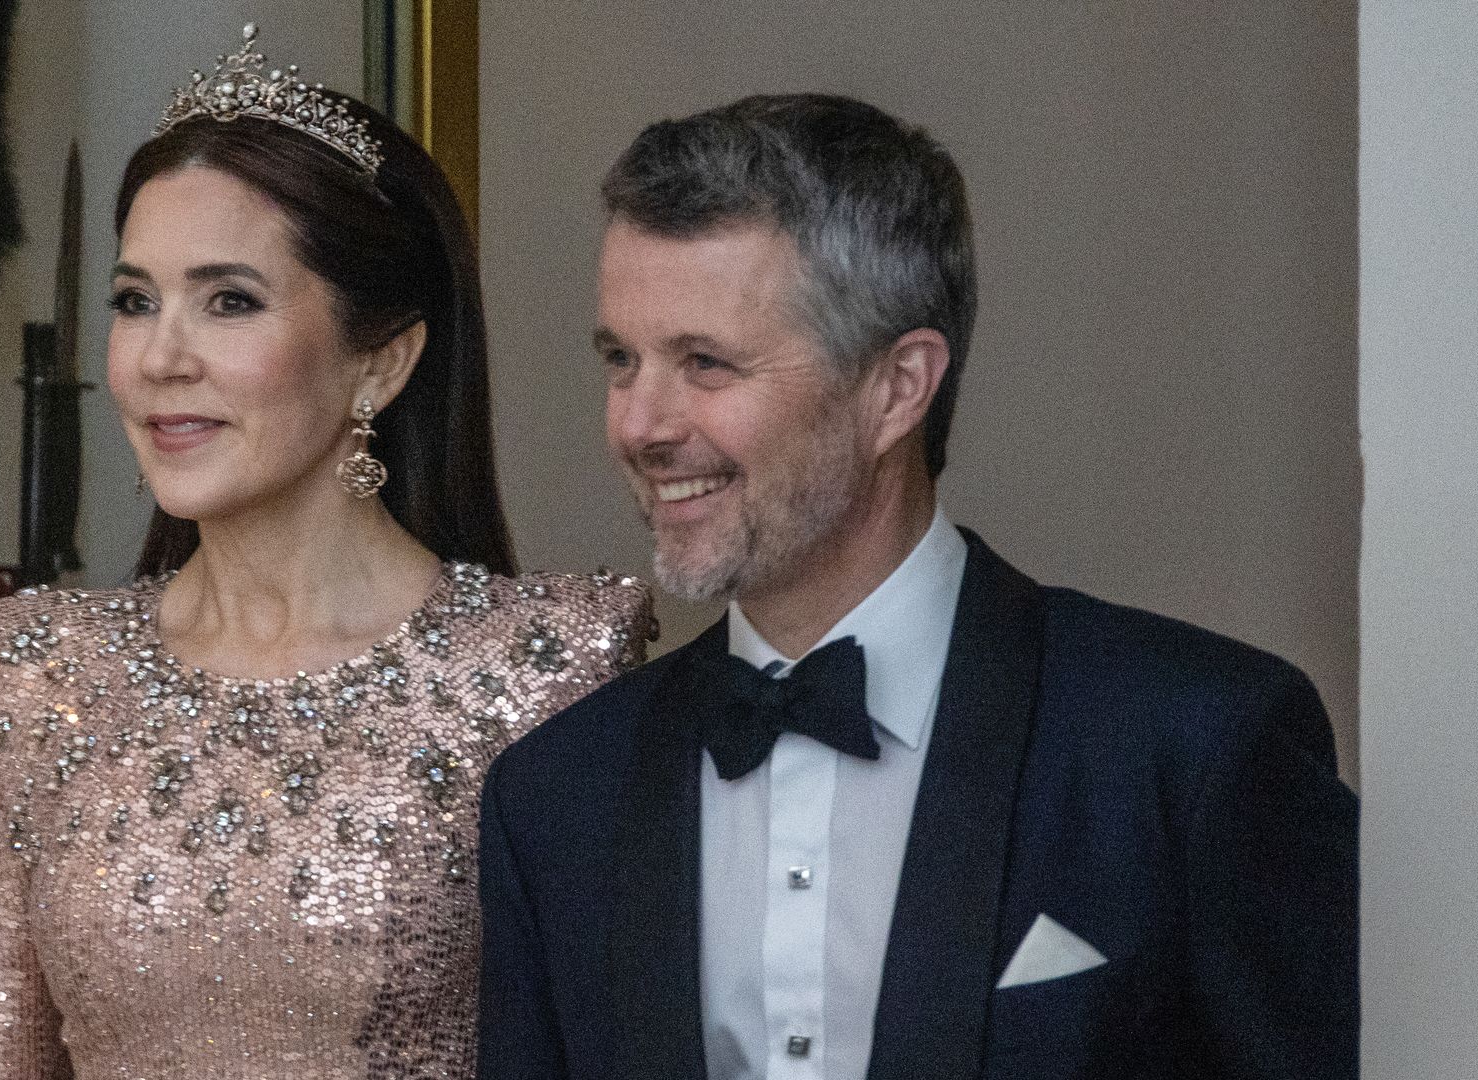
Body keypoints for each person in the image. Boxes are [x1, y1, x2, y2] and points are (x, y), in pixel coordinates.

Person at [477, 93, 1357, 1080]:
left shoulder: (1194, 746)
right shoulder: (554, 798)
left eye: (705, 364)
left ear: (898, 387)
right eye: (621, 360)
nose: (640, 424)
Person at [0, 25, 652, 1078]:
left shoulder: (547, 667)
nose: (160, 357)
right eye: (135, 301)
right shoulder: (40, 668)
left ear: (382, 360)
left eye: (229, 301)